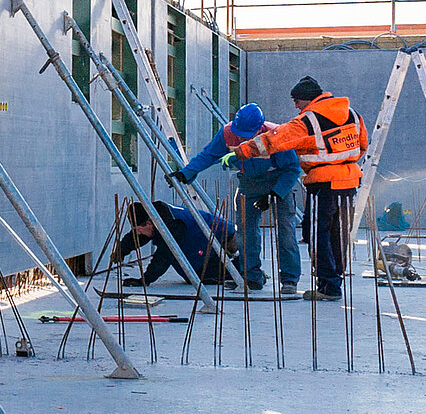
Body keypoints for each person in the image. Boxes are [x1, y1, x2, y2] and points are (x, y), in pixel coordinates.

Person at [237, 75, 368, 302]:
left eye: (296, 101)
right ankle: (334, 283)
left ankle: (328, 286)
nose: (295, 106)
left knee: (315, 234)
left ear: (306, 100)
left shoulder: (308, 120)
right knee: (338, 235)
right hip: (349, 182)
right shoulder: (352, 115)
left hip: (323, 183)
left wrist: (244, 150)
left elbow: (276, 139)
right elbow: (362, 145)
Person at [172, 103, 301, 294]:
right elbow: (208, 155)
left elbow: (292, 169)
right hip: (249, 182)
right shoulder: (227, 133)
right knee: (245, 231)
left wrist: (274, 194)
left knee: (285, 230)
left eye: (246, 134)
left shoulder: (276, 135)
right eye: (239, 133)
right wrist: (185, 173)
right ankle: (251, 276)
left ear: (259, 128)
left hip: (278, 180)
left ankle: (289, 279)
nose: (241, 138)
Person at [112, 200, 240, 287]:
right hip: (199, 236)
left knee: (199, 274)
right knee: (189, 273)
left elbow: (164, 256)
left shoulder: (171, 225)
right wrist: (121, 250)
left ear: (149, 223)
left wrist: (144, 280)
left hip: (220, 236)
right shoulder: (154, 216)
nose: (138, 234)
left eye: (139, 230)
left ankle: (242, 270)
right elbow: (137, 237)